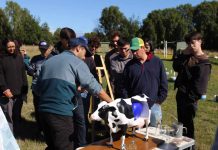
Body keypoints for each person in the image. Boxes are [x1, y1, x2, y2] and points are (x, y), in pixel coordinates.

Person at [36, 37, 112, 150]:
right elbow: (94, 86)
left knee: (51, 145)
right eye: (85, 51)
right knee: (65, 146)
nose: (85, 56)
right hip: (61, 114)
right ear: (78, 48)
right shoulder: (76, 62)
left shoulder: (49, 61)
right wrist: (112, 102)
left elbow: (37, 88)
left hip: (43, 112)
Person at [173, 31, 211, 139]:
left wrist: (191, 98)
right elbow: (176, 67)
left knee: (188, 127)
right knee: (181, 123)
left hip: (190, 99)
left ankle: (190, 147)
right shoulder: (188, 56)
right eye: (189, 43)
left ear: (200, 41)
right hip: (181, 95)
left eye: (193, 42)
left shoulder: (204, 62)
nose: (191, 45)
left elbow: (200, 86)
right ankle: (182, 145)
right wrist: (184, 53)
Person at [122, 37, 168, 126]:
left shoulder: (157, 62)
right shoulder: (129, 66)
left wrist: (159, 100)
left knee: (155, 133)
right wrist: (129, 101)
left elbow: (164, 83)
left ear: (143, 48)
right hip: (137, 106)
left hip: (154, 104)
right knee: (138, 133)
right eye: (132, 50)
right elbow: (124, 86)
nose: (134, 53)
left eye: (136, 50)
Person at [0, 39, 28, 133]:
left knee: (16, 114)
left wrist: (25, 88)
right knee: (8, 115)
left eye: (12, 46)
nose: (11, 49)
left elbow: (23, 73)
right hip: (7, 93)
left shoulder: (19, 57)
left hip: (19, 91)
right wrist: (5, 89)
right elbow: (0, 76)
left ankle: (17, 133)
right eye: (9, 47)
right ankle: (9, 136)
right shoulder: (1, 58)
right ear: (5, 47)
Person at [28, 41, 52, 136]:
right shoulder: (35, 59)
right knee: (38, 109)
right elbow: (30, 70)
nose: (43, 51)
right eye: (41, 49)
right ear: (39, 48)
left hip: (49, 88)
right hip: (37, 87)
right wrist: (33, 73)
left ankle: (49, 128)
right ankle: (39, 128)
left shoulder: (53, 58)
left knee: (48, 109)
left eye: (45, 49)